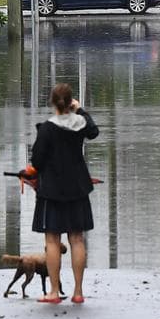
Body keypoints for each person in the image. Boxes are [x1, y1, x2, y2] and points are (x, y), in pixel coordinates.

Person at [28, 83, 100, 304]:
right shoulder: (80, 124)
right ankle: (78, 292)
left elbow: (37, 160)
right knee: (77, 239)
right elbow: (94, 131)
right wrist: (80, 110)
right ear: (71, 103)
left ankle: (54, 291)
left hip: (52, 190)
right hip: (77, 187)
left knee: (52, 240)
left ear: (52, 103)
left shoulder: (48, 129)